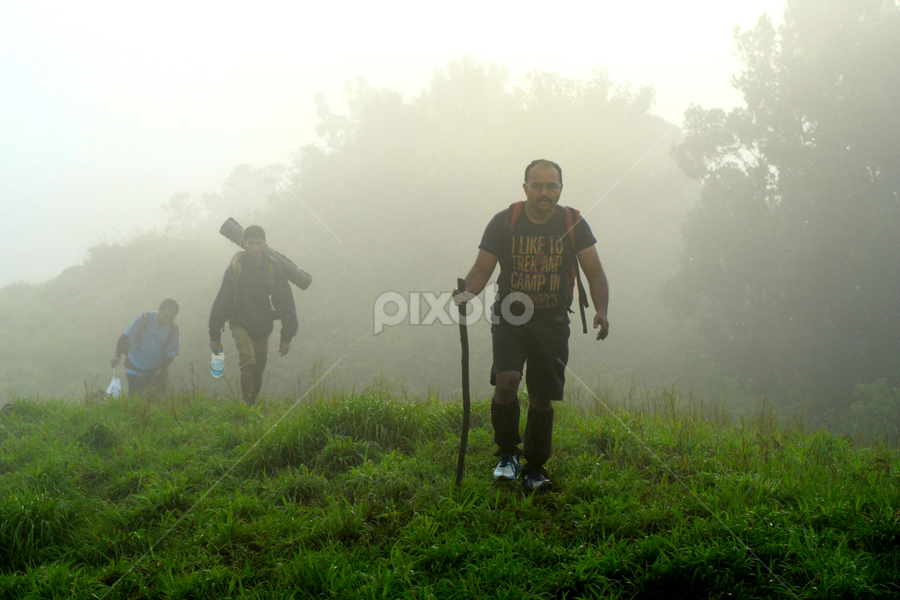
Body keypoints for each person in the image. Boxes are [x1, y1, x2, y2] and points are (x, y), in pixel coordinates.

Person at [455, 159, 610, 492]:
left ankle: (535, 468)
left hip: (552, 321)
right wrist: (466, 292)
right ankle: (507, 454)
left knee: (541, 397)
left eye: (551, 186)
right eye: (537, 186)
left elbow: (594, 272)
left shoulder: (573, 223)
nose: (544, 193)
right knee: (507, 382)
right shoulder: (505, 222)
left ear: (560, 189)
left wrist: (601, 310)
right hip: (510, 316)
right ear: (525, 188)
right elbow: (482, 270)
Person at [208, 225, 298, 405]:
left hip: (263, 324)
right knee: (248, 363)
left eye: (259, 243)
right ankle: (248, 409)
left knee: (259, 368)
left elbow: (286, 301)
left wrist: (287, 336)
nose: (255, 248)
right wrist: (214, 335)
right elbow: (222, 300)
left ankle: (252, 407)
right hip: (240, 322)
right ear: (244, 244)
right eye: (251, 243)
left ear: (265, 244)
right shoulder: (236, 267)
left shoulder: (273, 267)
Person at [111, 299, 180, 397]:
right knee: (136, 400)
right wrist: (117, 356)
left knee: (155, 403)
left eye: (171, 319)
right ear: (159, 310)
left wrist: (159, 370)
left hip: (155, 372)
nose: (167, 321)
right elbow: (124, 338)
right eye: (165, 317)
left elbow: (171, 355)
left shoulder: (173, 329)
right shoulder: (144, 319)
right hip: (135, 367)